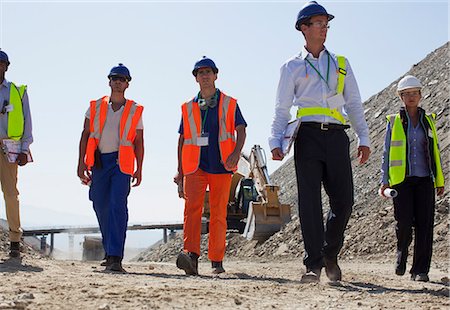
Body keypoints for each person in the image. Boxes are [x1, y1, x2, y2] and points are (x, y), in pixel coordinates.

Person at [268, 1, 371, 283]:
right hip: (308, 136)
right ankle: (313, 264)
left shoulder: (341, 63)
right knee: (310, 203)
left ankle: (329, 253)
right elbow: (282, 108)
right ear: (304, 28)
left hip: (338, 136)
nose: (324, 28)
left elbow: (353, 103)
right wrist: (275, 140)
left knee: (345, 202)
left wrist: (364, 137)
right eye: (319, 23)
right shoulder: (291, 66)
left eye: (327, 24)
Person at [174, 56, 247, 275]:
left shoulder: (229, 103)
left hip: (222, 165)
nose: (205, 76)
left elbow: (241, 129)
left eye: (208, 72)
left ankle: (217, 261)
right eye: (200, 73)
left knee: (218, 214)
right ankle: (191, 258)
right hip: (194, 167)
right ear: (196, 78)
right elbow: (181, 139)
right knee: (191, 212)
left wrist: (235, 153)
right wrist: (179, 171)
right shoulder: (188, 108)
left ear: (215, 76)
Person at [77, 63, 144, 272]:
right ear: (109, 82)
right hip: (99, 163)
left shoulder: (134, 110)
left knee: (117, 206)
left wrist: (139, 168)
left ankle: (116, 257)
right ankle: (109, 250)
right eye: (114, 78)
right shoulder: (95, 107)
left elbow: (139, 142)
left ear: (127, 84)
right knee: (100, 205)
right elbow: (85, 135)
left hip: (121, 164)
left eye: (122, 79)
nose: (117, 82)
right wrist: (80, 163)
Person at [379, 75, 444, 282]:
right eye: (407, 94)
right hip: (402, 181)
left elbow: (436, 152)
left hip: (425, 179)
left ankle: (420, 270)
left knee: (425, 225)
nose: (411, 97)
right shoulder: (394, 122)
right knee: (404, 223)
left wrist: (439, 181)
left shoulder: (428, 121)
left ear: (420, 95)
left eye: (414, 93)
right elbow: (387, 152)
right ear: (401, 97)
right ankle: (402, 255)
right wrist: (384, 180)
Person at [0, 50, 33, 258]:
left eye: (0, 63)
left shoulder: (17, 92)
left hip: (8, 148)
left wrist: (24, 149)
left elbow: (27, 122)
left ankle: (14, 241)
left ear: (6, 66)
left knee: (11, 194)